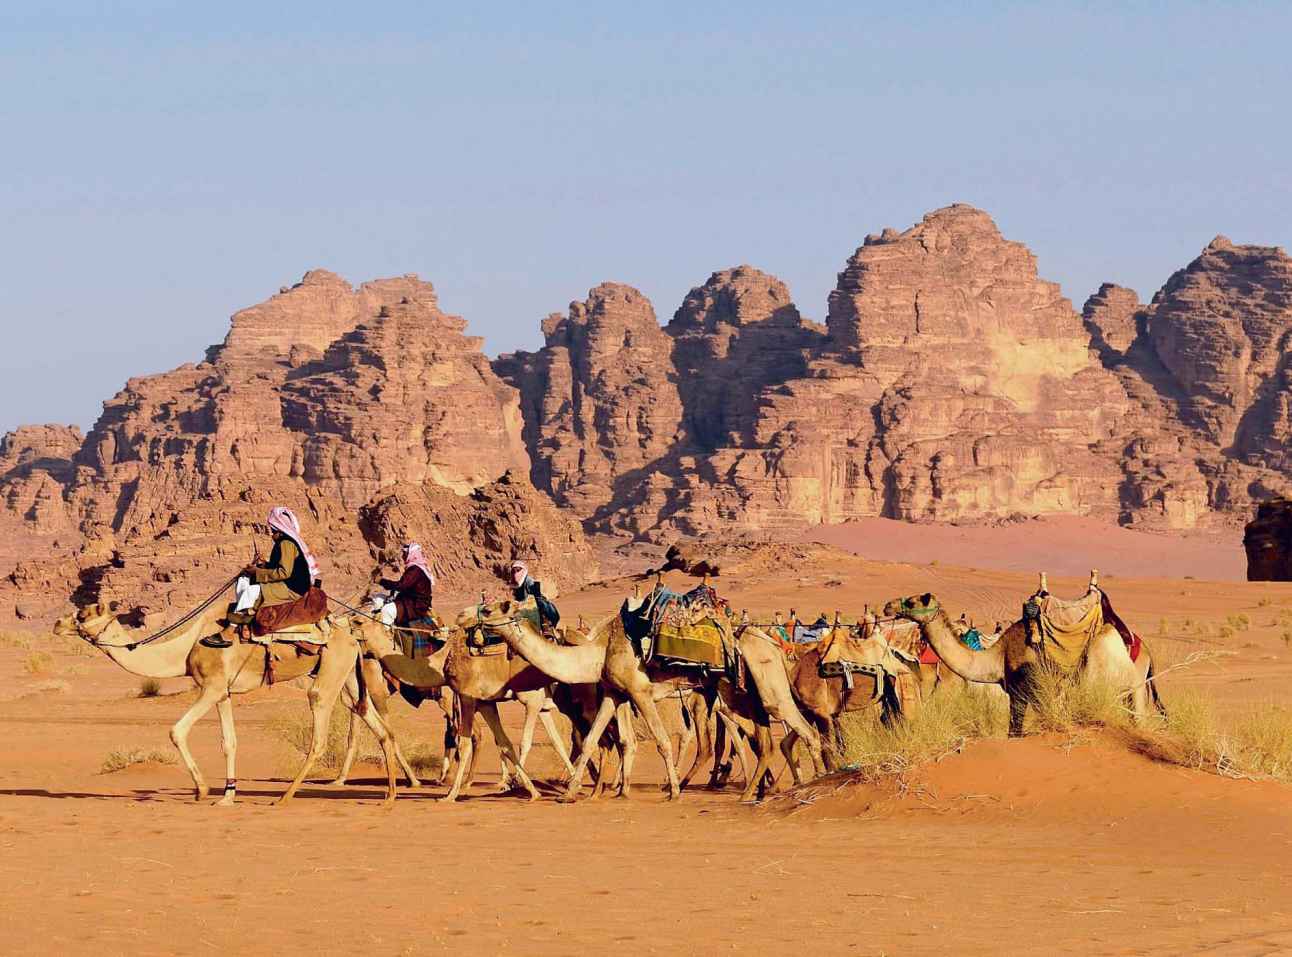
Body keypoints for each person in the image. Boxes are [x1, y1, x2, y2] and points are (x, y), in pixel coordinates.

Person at [210, 506, 320, 646]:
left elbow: (284, 572)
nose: (271, 534)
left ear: (279, 530)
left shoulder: (286, 544)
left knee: (251, 591)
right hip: (286, 582)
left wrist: (257, 572)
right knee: (243, 580)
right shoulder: (282, 543)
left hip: (292, 588)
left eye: (273, 530)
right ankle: (245, 618)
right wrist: (263, 565)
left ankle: (230, 631)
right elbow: (279, 567)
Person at [372, 542, 435, 627]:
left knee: (387, 610)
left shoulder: (415, 570)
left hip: (416, 605)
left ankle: (386, 635)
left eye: (405, 553)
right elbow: (405, 586)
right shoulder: (413, 568)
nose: (403, 556)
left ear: (411, 554)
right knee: (378, 598)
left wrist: (381, 581)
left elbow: (401, 586)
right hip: (408, 599)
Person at [510, 561, 560, 631]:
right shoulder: (515, 583)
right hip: (523, 605)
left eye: (518, 570)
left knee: (541, 607)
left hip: (532, 604)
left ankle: (546, 626)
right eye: (514, 571)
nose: (515, 573)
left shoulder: (529, 581)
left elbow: (534, 598)